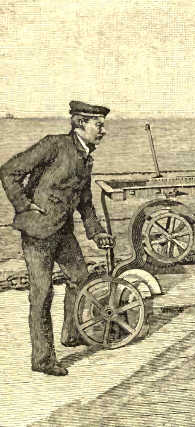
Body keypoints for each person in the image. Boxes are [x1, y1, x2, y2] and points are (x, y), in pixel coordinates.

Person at [0, 101, 114, 376]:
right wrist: (24, 206)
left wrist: (96, 233)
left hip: (62, 231)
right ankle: (42, 359)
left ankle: (71, 334)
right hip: (37, 232)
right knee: (42, 294)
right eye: (98, 125)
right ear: (80, 123)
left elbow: (85, 202)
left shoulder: (86, 157)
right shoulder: (54, 144)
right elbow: (8, 171)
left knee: (80, 279)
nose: (103, 130)